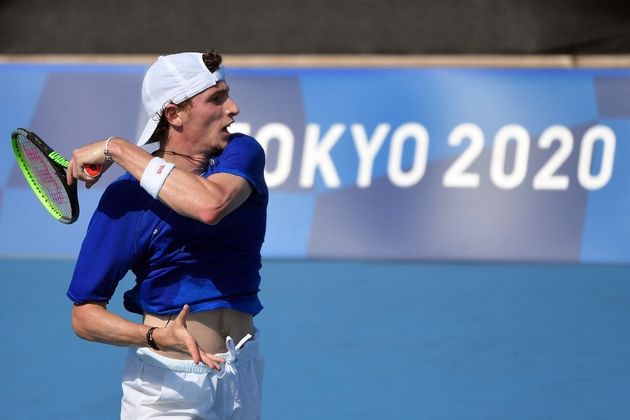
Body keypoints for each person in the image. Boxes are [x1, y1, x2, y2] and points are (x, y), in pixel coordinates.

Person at [65, 50, 268, 419]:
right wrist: (154, 337)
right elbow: (84, 316)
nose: (233, 108)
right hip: (168, 390)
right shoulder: (126, 199)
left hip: (241, 374)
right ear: (174, 114)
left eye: (228, 94)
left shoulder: (242, 153)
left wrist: (118, 149)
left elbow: (210, 205)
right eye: (217, 99)